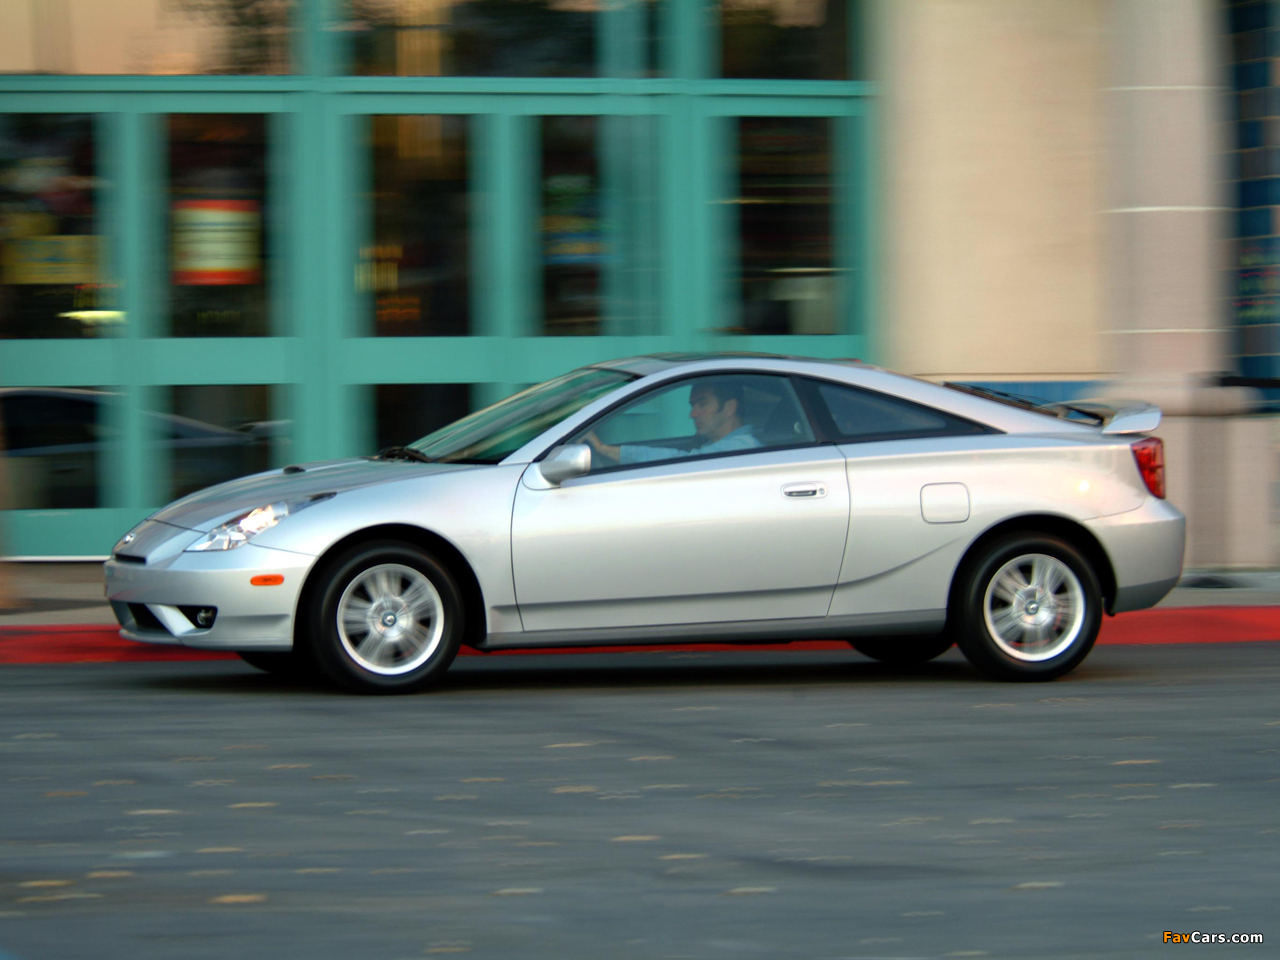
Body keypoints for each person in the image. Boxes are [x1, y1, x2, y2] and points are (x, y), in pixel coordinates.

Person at [584, 379, 761, 466]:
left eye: (703, 403)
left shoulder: (739, 448)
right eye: (693, 405)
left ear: (730, 407)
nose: (693, 414)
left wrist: (603, 449)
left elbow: (680, 462)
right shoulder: (720, 445)